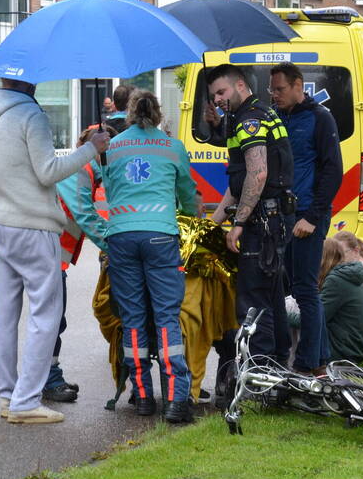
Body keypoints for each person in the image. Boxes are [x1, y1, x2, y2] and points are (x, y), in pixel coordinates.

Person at [0, 77, 109, 424]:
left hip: (2, 222)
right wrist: (91, 148)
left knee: (4, 314)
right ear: (30, 82)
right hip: (34, 224)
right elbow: (48, 172)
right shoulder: (32, 116)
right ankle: (26, 401)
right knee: (45, 312)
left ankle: (7, 396)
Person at [102, 90, 198, 423]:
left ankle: (142, 395)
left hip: (122, 236)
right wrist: (184, 209)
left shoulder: (113, 147)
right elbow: (187, 195)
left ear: (128, 114)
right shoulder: (172, 147)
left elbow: (111, 192)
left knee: (132, 317)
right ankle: (176, 400)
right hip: (160, 236)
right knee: (166, 316)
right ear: (158, 114)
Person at [206, 64, 295, 373]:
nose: (217, 99)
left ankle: (261, 374)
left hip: (262, 223)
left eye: (221, 92)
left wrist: (239, 223)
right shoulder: (261, 113)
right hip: (274, 218)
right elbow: (239, 181)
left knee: (254, 303)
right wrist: (214, 221)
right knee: (272, 298)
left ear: (240, 85)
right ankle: (279, 367)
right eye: (213, 95)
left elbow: (258, 174)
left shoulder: (249, 120)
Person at [268, 62, 343, 374]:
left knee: (305, 290)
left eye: (280, 89)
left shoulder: (320, 118)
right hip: (286, 215)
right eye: (271, 89)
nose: (274, 95)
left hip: (308, 216)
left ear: (299, 85)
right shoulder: (276, 118)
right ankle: (321, 359)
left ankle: (306, 364)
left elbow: (333, 171)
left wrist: (312, 217)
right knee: (297, 288)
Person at [46, 124, 115, 403]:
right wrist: (116, 247)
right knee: (52, 320)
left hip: (51, 254)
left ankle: (44, 377)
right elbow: (85, 215)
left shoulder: (84, 169)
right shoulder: (82, 169)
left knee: (52, 319)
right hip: (49, 254)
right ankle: (49, 380)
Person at [318, 239, 363, 364]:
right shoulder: (347, 274)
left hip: (344, 352)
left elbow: (316, 319)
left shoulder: (336, 280)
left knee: (292, 310)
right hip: (357, 347)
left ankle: (292, 362)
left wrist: (282, 315)